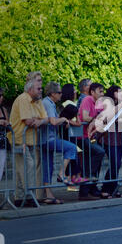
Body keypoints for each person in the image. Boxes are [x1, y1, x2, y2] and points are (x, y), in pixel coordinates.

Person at [8, 79, 49, 207]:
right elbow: (27, 121)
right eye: (38, 88)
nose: (41, 90)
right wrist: (39, 120)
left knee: (22, 169)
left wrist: (40, 121)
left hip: (30, 140)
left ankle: (20, 198)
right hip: (20, 139)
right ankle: (29, 196)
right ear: (30, 89)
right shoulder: (23, 99)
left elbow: (46, 118)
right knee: (28, 166)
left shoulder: (38, 101)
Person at [41, 82, 78, 204]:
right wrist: (63, 119)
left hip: (46, 139)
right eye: (59, 92)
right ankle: (62, 174)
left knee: (48, 167)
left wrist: (63, 122)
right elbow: (52, 121)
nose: (61, 95)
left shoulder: (49, 103)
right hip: (49, 139)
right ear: (52, 93)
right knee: (72, 148)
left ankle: (48, 195)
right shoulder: (48, 103)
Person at [78, 82, 105, 200]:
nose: (102, 94)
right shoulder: (88, 100)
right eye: (100, 91)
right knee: (99, 152)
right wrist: (96, 120)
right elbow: (84, 117)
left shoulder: (98, 103)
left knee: (91, 162)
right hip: (83, 137)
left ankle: (88, 190)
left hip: (91, 137)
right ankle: (90, 179)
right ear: (92, 92)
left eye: (103, 91)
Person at [97, 85, 122, 198]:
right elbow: (105, 118)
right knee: (115, 164)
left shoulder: (120, 105)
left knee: (117, 164)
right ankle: (106, 188)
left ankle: (113, 188)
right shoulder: (107, 103)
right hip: (108, 139)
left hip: (117, 138)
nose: (120, 94)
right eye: (118, 92)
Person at [0, 88, 10, 182]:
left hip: (2, 142)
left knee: (1, 167)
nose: (1, 98)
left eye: (2, 96)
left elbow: (8, 123)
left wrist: (6, 123)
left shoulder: (3, 110)